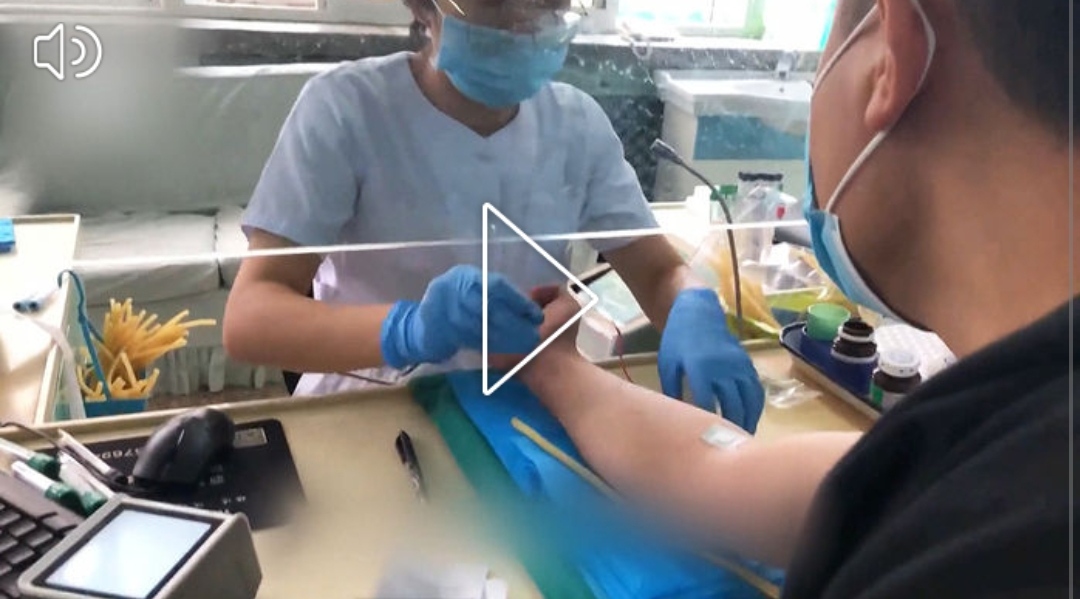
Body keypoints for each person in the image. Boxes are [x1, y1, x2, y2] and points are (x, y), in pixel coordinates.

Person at [512, 0, 1074, 596]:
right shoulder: (989, 459)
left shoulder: (986, 532)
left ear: (890, 54)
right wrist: (553, 366)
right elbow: (716, 473)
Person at [221, 0, 766, 430]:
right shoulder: (348, 109)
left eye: (548, 3)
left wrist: (693, 307)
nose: (524, 23)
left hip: (523, 407)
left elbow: (658, 270)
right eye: (496, 1)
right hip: (374, 411)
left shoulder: (576, 125)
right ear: (424, 6)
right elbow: (251, 318)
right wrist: (410, 329)